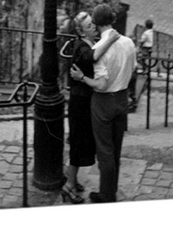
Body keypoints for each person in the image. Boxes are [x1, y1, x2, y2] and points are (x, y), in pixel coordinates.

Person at [71, 3, 136, 204]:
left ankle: (106, 196)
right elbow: (133, 69)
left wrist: (82, 78)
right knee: (116, 149)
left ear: (97, 24)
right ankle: (111, 189)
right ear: (113, 20)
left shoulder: (99, 48)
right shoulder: (128, 42)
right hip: (122, 98)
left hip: (103, 102)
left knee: (104, 151)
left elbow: (100, 84)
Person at [61, 11, 97, 204]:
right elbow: (93, 57)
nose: (94, 27)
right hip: (80, 104)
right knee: (78, 144)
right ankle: (68, 186)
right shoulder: (83, 48)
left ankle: (72, 180)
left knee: (80, 143)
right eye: (90, 26)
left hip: (83, 101)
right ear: (82, 32)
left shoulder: (87, 43)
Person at [128, 18, 154, 112]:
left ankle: (131, 101)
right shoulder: (151, 33)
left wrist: (139, 43)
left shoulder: (146, 33)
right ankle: (132, 100)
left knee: (141, 58)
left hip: (144, 50)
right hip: (148, 49)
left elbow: (142, 41)